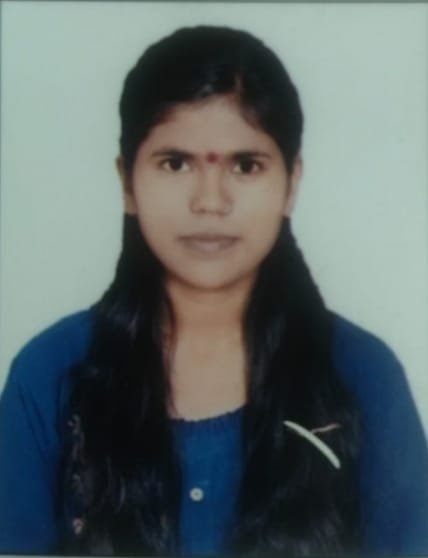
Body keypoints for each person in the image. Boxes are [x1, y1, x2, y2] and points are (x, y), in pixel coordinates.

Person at [0, 25, 427, 556]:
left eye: (246, 166)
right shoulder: (50, 375)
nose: (209, 201)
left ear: (291, 184)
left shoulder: (364, 375)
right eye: (175, 163)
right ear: (128, 182)